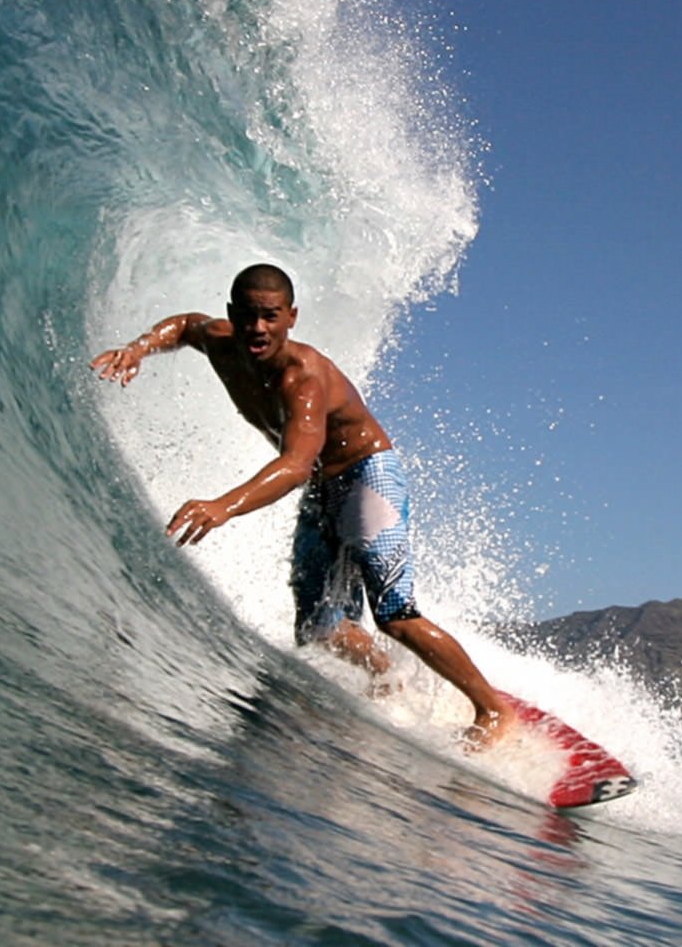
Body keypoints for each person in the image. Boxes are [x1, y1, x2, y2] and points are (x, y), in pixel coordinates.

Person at [91, 263, 518, 746]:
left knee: (394, 614)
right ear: (232, 314)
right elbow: (186, 325)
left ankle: (494, 710)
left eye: (270, 316)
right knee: (318, 626)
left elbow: (295, 464)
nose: (258, 328)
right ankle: (386, 674)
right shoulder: (221, 340)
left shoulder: (302, 378)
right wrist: (140, 348)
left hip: (366, 475)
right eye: (248, 315)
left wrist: (224, 506)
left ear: (291, 317)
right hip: (323, 486)